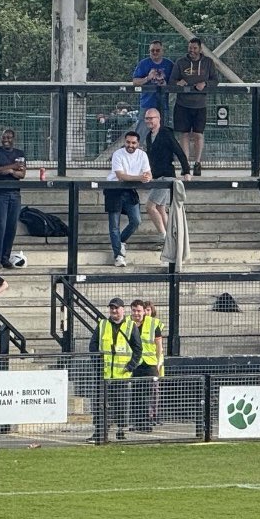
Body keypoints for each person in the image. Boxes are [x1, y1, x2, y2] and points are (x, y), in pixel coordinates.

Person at [87, 297, 141, 444]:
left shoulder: (131, 326)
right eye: (112, 308)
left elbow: (138, 349)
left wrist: (130, 366)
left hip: (121, 375)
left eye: (116, 308)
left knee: (121, 404)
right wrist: (97, 364)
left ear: (123, 309)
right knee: (99, 404)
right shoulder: (103, 324)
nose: (114, 310)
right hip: (103, 375)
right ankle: (99, 432)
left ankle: (121, 430)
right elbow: (93, 345)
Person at [169, 36, 218, 176]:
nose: (192, 51)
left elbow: (215, 80)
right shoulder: (180, 62)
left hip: (200, 104)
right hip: (182, 104)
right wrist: (178, 83)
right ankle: (185, 165)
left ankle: (197, 162)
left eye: (195, 48)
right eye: (190, 48)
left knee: (198, 134)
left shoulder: (208, 62)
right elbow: (172, 81)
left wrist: (205, 84)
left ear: (200, 49)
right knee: (183, 134)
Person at [142, 108, 190, 241]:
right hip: (156, 176)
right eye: (147, 118)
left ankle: (163, 236)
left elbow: (179, 151)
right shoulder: (148, 136)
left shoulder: (165, 133)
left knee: (150, 207)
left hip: (166, 175)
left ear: (158, 119)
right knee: (160, 208)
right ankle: (172, 237)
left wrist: (186, 171)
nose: (149, 121)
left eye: (151, 118)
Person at [106, 131, 152, 267]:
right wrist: (140, 178)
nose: (130, 145)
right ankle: (118, 255)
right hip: (114, 189)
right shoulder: (117, 154)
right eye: (128, 142)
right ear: (124, 142)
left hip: (130, 190)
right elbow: (120, 176)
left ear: (138, 144)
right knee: (114, 225)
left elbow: (148, 172)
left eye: (133, 143)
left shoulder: (142, 155)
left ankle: (120, 243)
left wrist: (147, 177)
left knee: (136, 220)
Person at [0, 128, 26, 269]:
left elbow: (22, 174)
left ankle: (5, 257)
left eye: (9, 137)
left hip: (15, 193)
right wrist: (12, 167)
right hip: (0, 193)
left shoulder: (19, 153)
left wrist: (8, 170)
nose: (6, 139)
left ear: (13, 139)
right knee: (0, 225)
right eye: (4, 137)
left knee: (11, 226)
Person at [129, 299, 160, 433]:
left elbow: (159, 346)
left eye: (139, 311)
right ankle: (136, 422)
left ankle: (146, 422)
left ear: (144, 311)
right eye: (134, 311)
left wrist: (158, 363)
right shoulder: (127, 324)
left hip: (149, 364)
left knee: (148, 395)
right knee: (136, 395)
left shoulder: (153, 324)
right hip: (135, 363)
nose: (137, 313)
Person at [132, 39, 175, 136]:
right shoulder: (143, 64)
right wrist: (148, 78)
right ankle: (138, 150)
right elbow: (135, 82)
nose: (155, 52)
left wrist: (165, 85)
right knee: (141, 133)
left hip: (163, 105)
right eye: (152, 50)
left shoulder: (169, 64)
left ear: (162, 51)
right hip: (147, 103)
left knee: (163, 133)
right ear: (149, 51)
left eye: (157, 50)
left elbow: (175, 83)